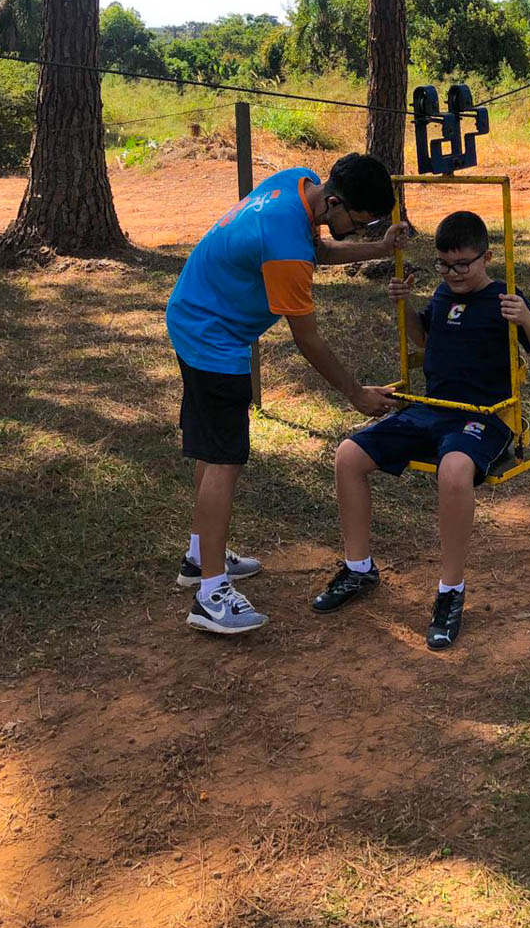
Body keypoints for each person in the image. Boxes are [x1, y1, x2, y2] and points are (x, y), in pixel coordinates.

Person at [166, 152, 406, 636]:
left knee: (213, 450)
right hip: (212, 336)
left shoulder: (299, 182)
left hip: (195, 314)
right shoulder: (285, 246)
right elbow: (308, 340)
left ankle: (200, 555)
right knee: (224, 459)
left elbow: (316, 251)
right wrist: (356, 394)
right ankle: (210, 595)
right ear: (334, 203)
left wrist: (378, 248)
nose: (358, 230)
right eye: (359, 222)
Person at [311, 209, 530, 650]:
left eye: (461, 265)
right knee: (348, 455)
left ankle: (450, 590)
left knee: (454, 471)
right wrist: (405, 306)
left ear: (486, 258)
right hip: (434, 409)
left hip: (484, 415)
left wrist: (526, 319)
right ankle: (358, 568)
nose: (451, 274)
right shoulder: (444, 295)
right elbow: (424, 341)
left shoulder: (506, 299)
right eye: (443, 265)